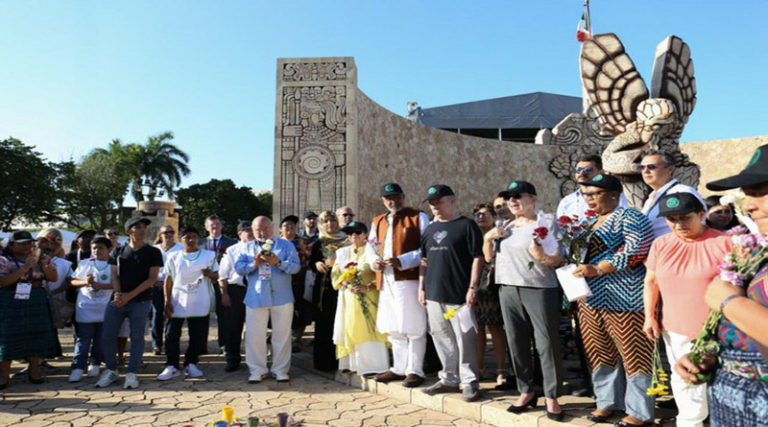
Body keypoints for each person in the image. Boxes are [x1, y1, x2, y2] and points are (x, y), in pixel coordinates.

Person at [675, 144, 768, 426]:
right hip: (732, 402)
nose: (748, 205)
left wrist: (729, 302)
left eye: (761, 192)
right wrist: (713, 354)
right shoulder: (757, 251)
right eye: (746, 195)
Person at [570, 173, 656, 426]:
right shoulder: (588, 222)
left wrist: (598, 268)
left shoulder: (630, 216)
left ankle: (639, 412)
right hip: (589, 300)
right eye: (586, 194)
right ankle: (607, 402)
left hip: (624, 298)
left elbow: (638, 247)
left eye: (595, 194)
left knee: (634, 353)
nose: (589, 199)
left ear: (614, 195)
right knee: (599, 352)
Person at [643, 193, 733, 426]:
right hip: (676, 328)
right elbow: (651, 282)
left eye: (685, 218)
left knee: (721, 385)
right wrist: (649, 316)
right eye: (671, 219)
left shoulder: (725, 243)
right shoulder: (661, 244)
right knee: (685, 381)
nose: (678, 224)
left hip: (719, 331)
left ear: (701, 215)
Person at [484, 182, 564, 420]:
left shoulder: (546, 224)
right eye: (509, 197)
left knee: (546, 344)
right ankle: (526, 391)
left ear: (534, 199)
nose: (513, 201)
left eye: (518, 196)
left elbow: (558, 258)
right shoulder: (505, 225)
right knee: (516, 342)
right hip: (507, 288)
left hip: (539, 289)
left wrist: (543, 256)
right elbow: (490, 259)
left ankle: (552, 396)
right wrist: (488, 238)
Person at [419, 184, 483, 402]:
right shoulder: (429, 229)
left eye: (439, 201)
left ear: (452, 200)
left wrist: (473, 287)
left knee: (465, 339)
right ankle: (448, 378)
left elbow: (477, 257)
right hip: (434, 294)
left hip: (459, 295)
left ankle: (469, 381)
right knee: (441, 336)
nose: (435, 206)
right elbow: (424, 261)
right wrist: (421, 287)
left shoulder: (467, 225)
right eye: (432, 203)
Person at [369, 183, 430, 388]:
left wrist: (402, 261)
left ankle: (415, 370)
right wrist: (373, 262)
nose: (393, 201)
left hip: (408, 279)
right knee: (393, 326)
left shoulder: (417, 217)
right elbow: (370, 248)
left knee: (413, 326)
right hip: (386, 280)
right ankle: (399, 367)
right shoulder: (378, 221)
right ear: (383, 200)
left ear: (403, 197)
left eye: (396, 197)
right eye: (388, 198)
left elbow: (426, 248)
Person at [96, 217, 163, 389]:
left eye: (144, 227)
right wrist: (119, 294)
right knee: (108, 335)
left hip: (140, 301)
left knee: (137, 337)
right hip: (118, 300)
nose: (142, 230)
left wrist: (129, 296)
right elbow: (114, 275)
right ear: (129, 231)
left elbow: (152, 279)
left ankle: (132, 373)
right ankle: (111, 370)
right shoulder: (117, 252)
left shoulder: (153, 252)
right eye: (138, 227)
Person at [235, 216, 300, 383]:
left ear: (272, 228)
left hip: (282, 296)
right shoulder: (247, 247)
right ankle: (257, 370)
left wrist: (278, 262)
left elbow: (295, 267)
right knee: (254, 336)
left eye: (265, 229)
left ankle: (280, 370)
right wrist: (254, 264)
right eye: (257, 230)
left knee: (282, 335)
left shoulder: (286, 245)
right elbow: (239, 268)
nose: (262, 233)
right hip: (256, 297)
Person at [157, 226, 219, 380]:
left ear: (198, 238)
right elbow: (168, 279)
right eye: (186, 237)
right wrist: (166, 300)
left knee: (197, 335)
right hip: (177, 301)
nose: (190, 240)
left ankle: (191, 363)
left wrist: (209, 274)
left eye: (194, 236)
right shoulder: (174, 257)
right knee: (171, 334)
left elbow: (217, 276)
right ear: (181, 239)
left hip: (199, 301)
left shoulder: (208, 256)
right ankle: (171, 365)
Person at [0, 231, 58, 388]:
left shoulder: (41, 258)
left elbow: (53, 278)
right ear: (11, 245)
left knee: (36, 334)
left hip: (36, 297)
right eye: (22, 243)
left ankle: (34, 371)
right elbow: (3, 281)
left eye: (29, 243)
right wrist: (26, 267)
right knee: (7, 336)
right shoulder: (4, 260)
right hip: (10, 299)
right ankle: (4, 375)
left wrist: (44, 264)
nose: (27, 246)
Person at [331, 221, 389, 375]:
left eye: (358, 232)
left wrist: (368, 286)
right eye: (350, 233)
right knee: (350, 326)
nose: (354, 236)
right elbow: (335, 274)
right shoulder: (342, 252)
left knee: (369, 328)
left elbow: (382, 273)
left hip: (369, 296)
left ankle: (373, 366)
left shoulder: (373, 251)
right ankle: (353, 365)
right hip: (349, 297)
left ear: (365, 234)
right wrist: (348, 285)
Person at [68, 235, 117, 382]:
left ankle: (95, 363)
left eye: (101, 248)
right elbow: (73, 281)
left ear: (109, 249)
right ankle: (77, 367)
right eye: (94, 248)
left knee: (100, 339)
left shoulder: (113, 265)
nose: (97, 251)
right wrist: (85, 281)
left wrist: (100, 286)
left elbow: (117, 285)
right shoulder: (84, 263)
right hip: (85, 309)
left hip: (105, 309)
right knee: (83, 340)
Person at [471, 203, 508, 387]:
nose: (480, 217)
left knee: (495, 330)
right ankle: (480, 367)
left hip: (493, 287)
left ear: (493, 216)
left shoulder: (499, 234)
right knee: (477, 330)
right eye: (477, 214)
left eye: (485, 214)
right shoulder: (473, 235)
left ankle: (501, 370)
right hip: (477, 287)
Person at [309, 211, 348, 372]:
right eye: (325, 222)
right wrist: (317, 263)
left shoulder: (346, 240)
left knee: (340, 323)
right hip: (323, 289)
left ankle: (341, 362)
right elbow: (311, 262)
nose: (330, 224)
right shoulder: (318, 242)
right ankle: (323, 363)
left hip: (342, 287)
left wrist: (337, 263)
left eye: (332, 221)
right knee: (323, 324)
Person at [639, 150, 704, 238]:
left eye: (651, 167)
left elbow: (701, 224)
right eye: (642, 167)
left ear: (670, 169)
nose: (646, 171)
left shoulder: (683, 192)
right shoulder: (650, 198)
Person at [218, 220, 254, 372]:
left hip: (255, 290)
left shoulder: (261, 247)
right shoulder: (232, 250)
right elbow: (223, 275)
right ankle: (233, 359)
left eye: (252, 229)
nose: (250, 233)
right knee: (233, 327)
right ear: (239, 234)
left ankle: (255, 360)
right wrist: (224, 294)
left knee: (255, 327)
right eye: (247, 230)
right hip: (236, 290)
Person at [200, 215, 237, 355]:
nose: (214, 228)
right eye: (211, 225)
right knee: (202, 315)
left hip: (223, 283)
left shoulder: (231, 243)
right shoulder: (199, 243)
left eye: (217, 225)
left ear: (221, 226)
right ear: (206, 227)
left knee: (224, 315)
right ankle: (201, 345)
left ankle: (224, 344)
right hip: (203, 283)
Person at [37, 229, 74, 359]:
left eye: (59, 240)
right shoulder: (31, 259)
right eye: (52, 239)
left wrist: (56, 291)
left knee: (52, 326)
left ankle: (51, 353)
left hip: (55, 298)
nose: (53, 244)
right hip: (36, 297)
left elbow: (70, 281)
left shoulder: (64, 262)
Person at [557, 154, 629, 219]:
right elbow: (559, 230)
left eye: (587, 170)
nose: (582, 173)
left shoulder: (615, 196)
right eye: (578, 170)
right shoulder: (567, 201)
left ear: (601, 173)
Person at [279, 216, 313, 353]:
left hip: (300, 281)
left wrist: (304, 250)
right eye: (286, 226)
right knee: (282, 311)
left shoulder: (303, 241)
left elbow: (311, 257)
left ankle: (297, 339)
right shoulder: (275, 243)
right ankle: (283, 337)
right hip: (281, 282)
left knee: (301, 311)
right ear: (280, 229)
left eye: (293, 226)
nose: (290, 228)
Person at [151, 225, 183, 355]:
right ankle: (156, 344)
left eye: (171, 232)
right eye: (166, 233)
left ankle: (171, 342)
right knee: (157, 313)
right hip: (157, 284)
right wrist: (155, 281)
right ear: (160, 235)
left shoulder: (180, 248)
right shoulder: (154, 249)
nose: (169, 235)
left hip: (174, 286)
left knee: (172, 314)